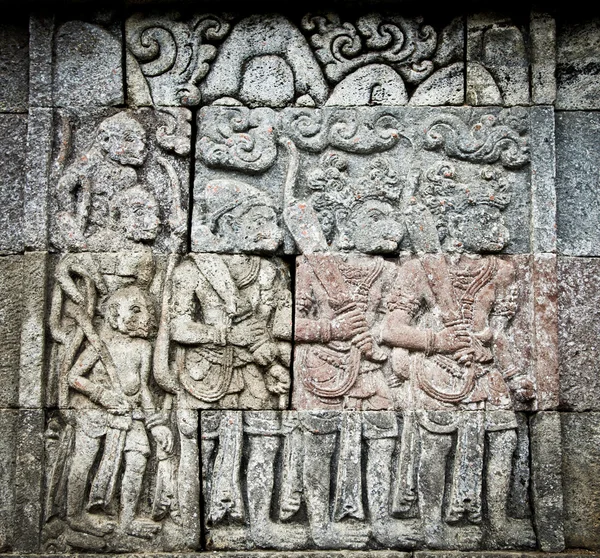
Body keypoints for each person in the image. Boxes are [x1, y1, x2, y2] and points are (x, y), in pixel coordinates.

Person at [380, 161, 535, 549]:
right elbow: (389, 329)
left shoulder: (501, 273)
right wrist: (438, 341)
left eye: (497, 216)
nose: (497, 226)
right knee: (437, 444)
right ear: (454, 226)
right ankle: (432, 522)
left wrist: (512, 371)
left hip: (483, 369)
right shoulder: (419, 270)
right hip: (436, 370)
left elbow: (500, 333)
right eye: (485, 217)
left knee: (503, 437)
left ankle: (496, 521)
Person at [154, 180, 298, 548]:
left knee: (264, 444)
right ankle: (189, 521)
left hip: (255, 373)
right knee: (200, 447)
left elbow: (275, 331)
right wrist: (225, 335)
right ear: (231, 225)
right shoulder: (195, 270)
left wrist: (277, 363)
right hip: (205, 373)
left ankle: (260, 523)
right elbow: (179, 327)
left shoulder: (269, 273)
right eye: (261, 220)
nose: (274, 229)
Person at [63, 286, 173, 540]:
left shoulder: (144, 348)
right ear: (113, 315)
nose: (142, 317)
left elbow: (143, 387)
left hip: (131, 413)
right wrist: (103, 396)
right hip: (96, 413)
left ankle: (127, 519)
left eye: (145, 311)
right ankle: (74, 516)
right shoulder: (101, 344)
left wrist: (155, 423)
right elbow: (73, 377)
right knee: (84, 460)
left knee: (138, 458)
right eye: (134, 310)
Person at [54, 112, 147, 250]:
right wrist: (72, 219)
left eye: (143, 141)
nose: (141, 148)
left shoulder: (128, 174)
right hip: (90, 234)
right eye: (129, 139)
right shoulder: (89, 163)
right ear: (105, 140)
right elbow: (63, 187)